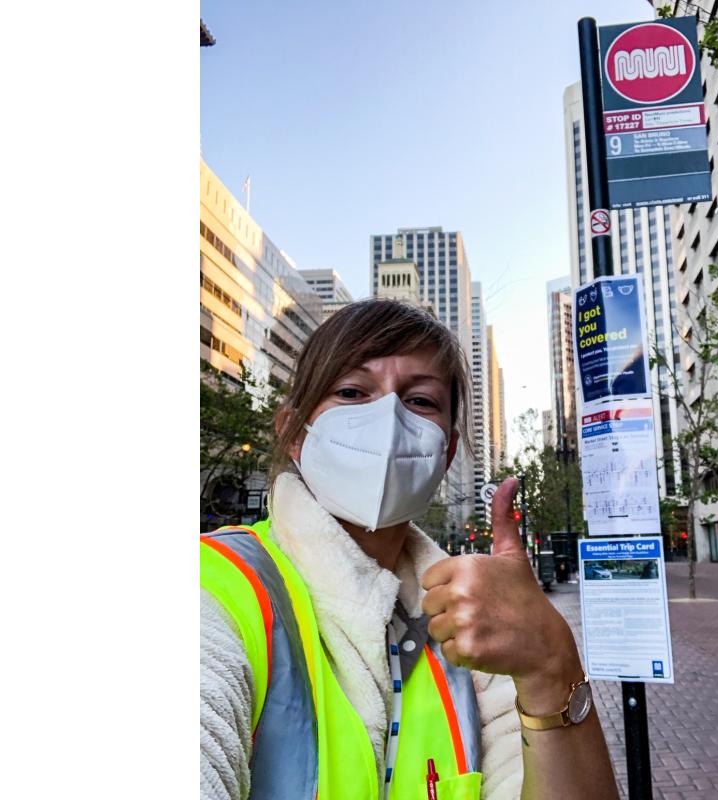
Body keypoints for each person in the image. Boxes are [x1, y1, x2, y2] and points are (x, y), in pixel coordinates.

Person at [201, 299, 618, 800]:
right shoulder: (214, 585)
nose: (389, 418)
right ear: (294, 435)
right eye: (352, 391)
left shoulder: (476, 624)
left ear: (446, 453)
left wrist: (552, 664)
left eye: (420, 401)